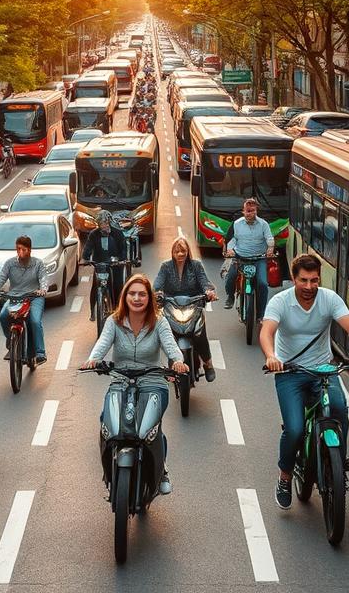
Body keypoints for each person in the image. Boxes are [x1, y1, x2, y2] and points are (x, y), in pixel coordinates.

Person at [260, 254, 349, 510]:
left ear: (320, 278)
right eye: (303, 280)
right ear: (294, 279)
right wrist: (272, 356)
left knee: (339, 407)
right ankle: (284, 478)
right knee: (294, 429)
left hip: (324, 371)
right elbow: (267, 331)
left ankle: (339, 458)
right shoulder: (280, 302)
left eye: (314, 280)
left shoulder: (329, 299)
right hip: (290, 372)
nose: (309, 286)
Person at [81, 274, 188, 495]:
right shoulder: (114, 321)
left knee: (149, 429)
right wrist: (93, 359)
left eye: (142, 294)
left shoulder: (159, 321)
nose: (137, 298)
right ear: (125, 296)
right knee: (107, 423)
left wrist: (178, 362)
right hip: (120, 380)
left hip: (153, 383)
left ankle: (162, 468)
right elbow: (102, 342)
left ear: (149, 298)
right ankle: (108, 467)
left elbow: (171, 346)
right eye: (132, 293)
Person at [153, 236, 219, 381]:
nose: (180, 254)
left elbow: (204, 282)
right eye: (177, 251)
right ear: (172, 253)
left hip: (194, 305)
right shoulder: (165, 267)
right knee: (167, 334)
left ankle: (208, 364)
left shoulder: (196, 265)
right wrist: (156, 293)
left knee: (199, 334)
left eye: (183, 251)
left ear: (188, 251)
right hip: (171, 306)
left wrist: (209, 292)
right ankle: (171, 364)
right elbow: (157, 284)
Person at [0, 235, 48, 365]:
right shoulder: (10, 263)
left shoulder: (38, 263)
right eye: (18, 249)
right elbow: (1, 277)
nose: (21, 252)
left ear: (30, 250)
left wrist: (42, 289)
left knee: (35, 321)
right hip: (14, 296)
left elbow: (43, 279)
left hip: (33, 296)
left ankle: (40, 352)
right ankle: (11, 343)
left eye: (24, 249)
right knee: (3, 316)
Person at [222, 198, 274, 312]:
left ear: (256, 212)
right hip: (240, 258)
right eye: (247, 211)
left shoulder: (264, 224)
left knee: (263, 284)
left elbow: (269, 238)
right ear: (243, 211)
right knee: (230, 276)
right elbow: (232, 239)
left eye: (252, 211)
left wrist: (270, 249)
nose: (249, 213)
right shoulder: (236, 224)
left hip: (259, 259)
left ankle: (261, 314)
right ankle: (230, 297)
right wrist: (230, 250)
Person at [81, 210, 127, 322]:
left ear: (110, 223)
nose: (104, 226)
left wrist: (121, 260)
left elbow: (123, 249)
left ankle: (118, 311)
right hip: (100, 264)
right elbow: (87, 249)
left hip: (115, 265)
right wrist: (86, 258)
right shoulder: (93, 234)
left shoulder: (117, 233)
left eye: (106, 223)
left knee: (118, 287)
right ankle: (93, 311)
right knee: (95, 287)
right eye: (101, 224)